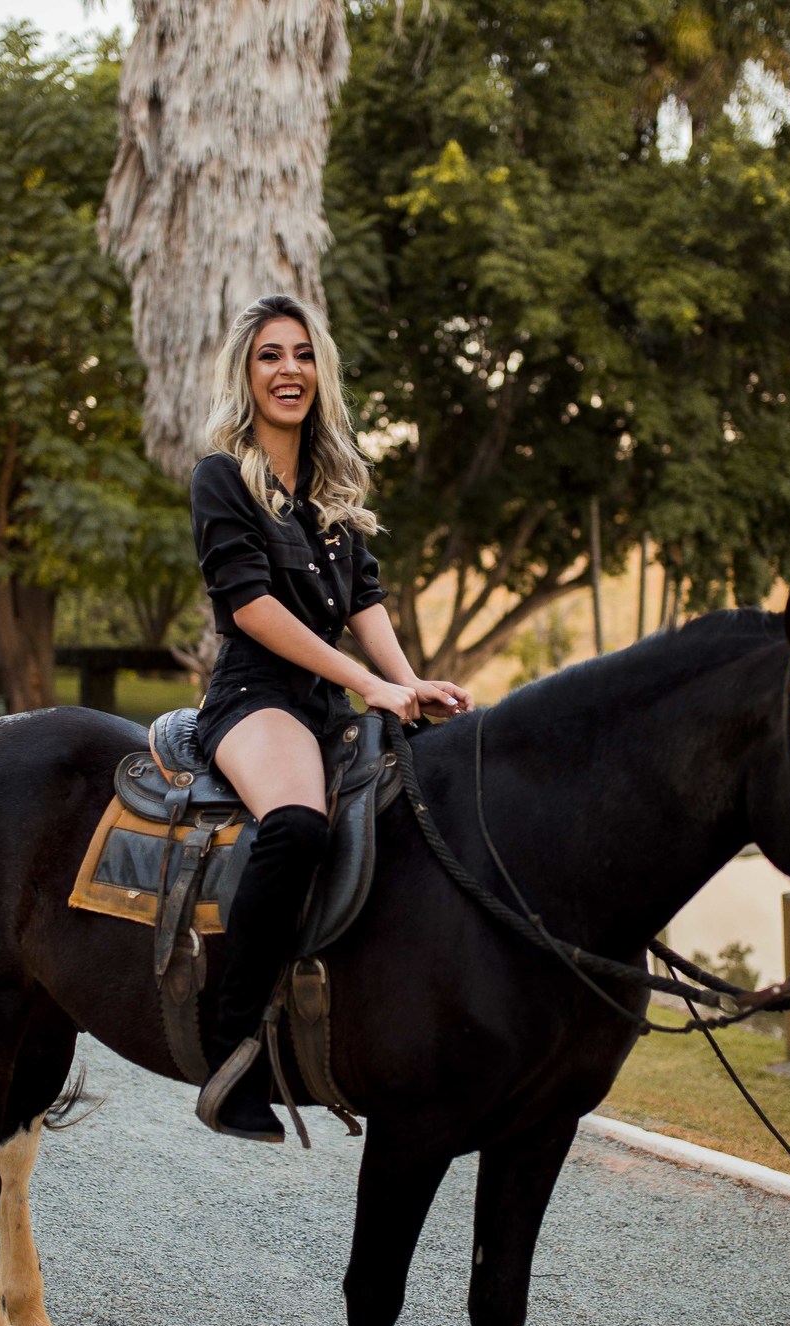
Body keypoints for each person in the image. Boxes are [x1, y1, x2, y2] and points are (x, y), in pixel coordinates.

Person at [190, 293, 474, 1140]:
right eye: (271, 355)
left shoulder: (334, 485)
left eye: (304, 355)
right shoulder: (222, 476)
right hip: (253, 695)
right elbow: (251, 608)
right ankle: (230, 1044)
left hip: (325, 699)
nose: (290, 371)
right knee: (298, 827)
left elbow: (366, 601)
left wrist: (409, 684)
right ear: (247, 373)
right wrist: (368, 685)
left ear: (323, 372)